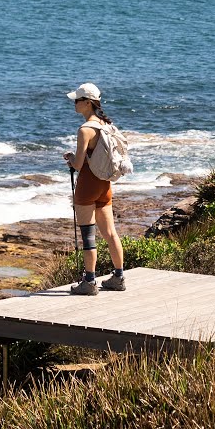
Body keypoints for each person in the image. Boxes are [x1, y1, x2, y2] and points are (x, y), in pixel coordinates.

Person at [63, 83, 126, 295]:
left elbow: (79, 164)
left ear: (87, 103)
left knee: (88, 237)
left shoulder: (85, 130)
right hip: (104, 185)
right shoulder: (106, 125)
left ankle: (89, 282)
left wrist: (71, 159)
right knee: (110, 233)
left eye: (77, 100)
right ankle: (119, 277)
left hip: (87, 185)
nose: (74, 103)